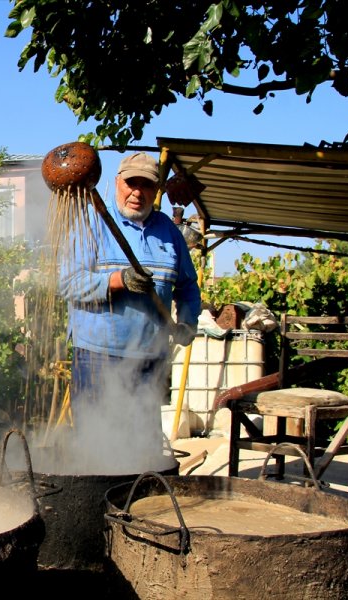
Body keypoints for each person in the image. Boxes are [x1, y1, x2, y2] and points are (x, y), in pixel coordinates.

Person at [58, 151, 200, 467]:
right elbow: (68, 284)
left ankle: (137, 510)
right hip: (98, 357)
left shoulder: (170, 233)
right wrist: (118, 280)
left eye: (146, 185)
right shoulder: (91, 224)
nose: (137, 192)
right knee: (96, 444)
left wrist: (188, 322)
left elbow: (188, 287)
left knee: (143, 447)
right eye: (131, 183)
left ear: (156, 190)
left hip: (150, 359)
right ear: (117, 183)